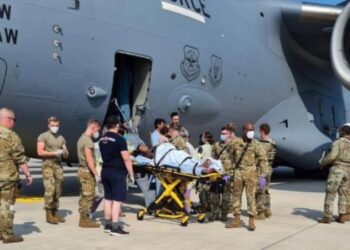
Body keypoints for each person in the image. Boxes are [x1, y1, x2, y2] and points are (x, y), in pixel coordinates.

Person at [226, 123, 268, 231]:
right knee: (236, 196)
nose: (251, 132)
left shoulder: (256, 144)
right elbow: (229, 157)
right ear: (243, 130)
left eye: (252, 130)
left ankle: (251, 221)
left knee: (251, 197)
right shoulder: (236, 142)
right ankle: (237, 220)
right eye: (249, 130)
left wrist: (263, 176)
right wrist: (227, 173)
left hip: (251, 172)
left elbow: (263, 160)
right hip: (238, 172)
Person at [0, 108, 32, 243]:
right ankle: (7, 235)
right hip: (7, 178)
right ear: (8, 120)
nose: (14, 123)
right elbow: (19, 158)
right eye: (14, 120)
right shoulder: (11, 136)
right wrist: (28, 174)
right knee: (7, 206)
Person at [99, 115, 134, 236]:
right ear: (117, 125)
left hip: (105, 171)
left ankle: (108, 224)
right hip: (117, 172)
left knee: (108, 199)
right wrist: (131, 173)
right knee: (117, 200)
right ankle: (115, 227)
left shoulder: (102, 139)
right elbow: (126, 158)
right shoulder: (120, 139)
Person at [37, 116, 69, 224]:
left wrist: (64, 152)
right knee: (50, 188)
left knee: (58, 189)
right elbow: (40, 152)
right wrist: (54, 153)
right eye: (52, 125)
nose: (55, 127)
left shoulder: (61, 137)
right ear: (48, 125)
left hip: (58, 165)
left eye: (56, 125)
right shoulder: (43, 136)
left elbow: (66, 154)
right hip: (48, 164)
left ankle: (55, 211)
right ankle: (48, 214)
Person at [318, 124, 350, 224]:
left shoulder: (337, 142)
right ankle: (343, 216)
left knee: (330, 193)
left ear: (342, 132)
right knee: (344, 194)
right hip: (348, 170)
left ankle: (327, 217)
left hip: (337, 170)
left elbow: (332, 156)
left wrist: (322, 162)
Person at [77, 119, 101, 228]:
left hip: (82, 170)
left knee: (83, 195)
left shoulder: (81, 138)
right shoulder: (87, 141)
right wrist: (96, 174)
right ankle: (84, 220)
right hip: (87, 171)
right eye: (97, 130)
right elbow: (90, 160)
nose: (97, 133)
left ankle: (83, 217)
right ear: (93, 127)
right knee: (88, 195)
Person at [210, 123, 236, 221]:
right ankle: (214, 213)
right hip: (217, 174)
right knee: (215, 195)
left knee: (226, 196)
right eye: (221, 133)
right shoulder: (216, 145)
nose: (222, 135)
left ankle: (224, 214)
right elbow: (212, 158)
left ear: (229, 134)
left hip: (227, 174)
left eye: (224, 133)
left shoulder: (233, 145)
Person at [256, 123, 276, 220]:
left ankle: (260, 213)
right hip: (269, 168)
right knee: (266, 190)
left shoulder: (264, 144)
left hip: (262, 170)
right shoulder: (272, 142)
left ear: (262, 131)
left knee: (260, 190)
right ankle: (268, 210)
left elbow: (259, 156)